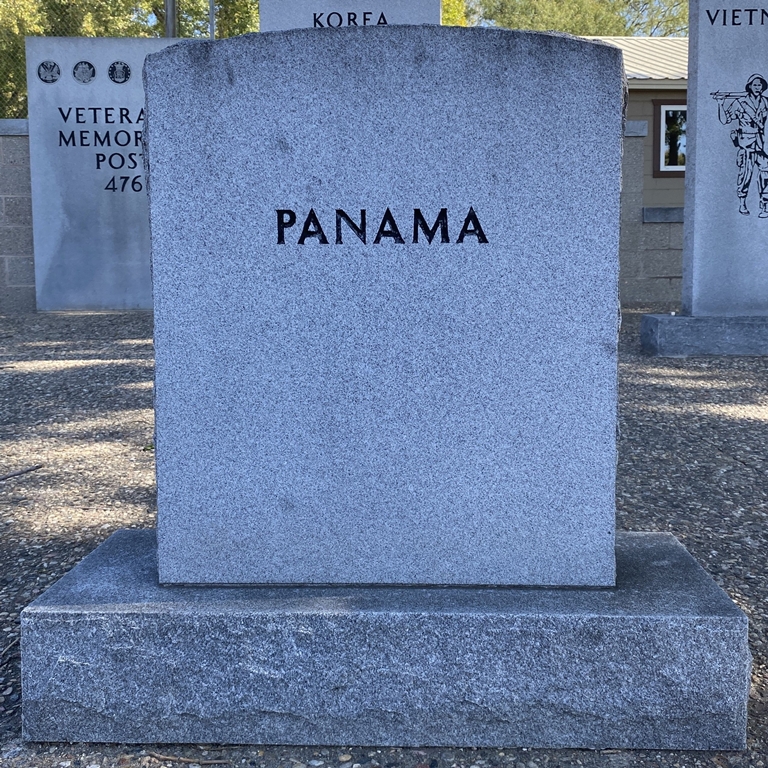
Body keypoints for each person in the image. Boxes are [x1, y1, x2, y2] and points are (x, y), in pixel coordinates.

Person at [714, 73, 768, 217]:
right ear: (749, 86)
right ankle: (742, 202)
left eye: (760, 85)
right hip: (746, 144)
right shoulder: (740, 102)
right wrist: (720, 104)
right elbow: (725, 120)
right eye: (755, 85)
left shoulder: (765, 102)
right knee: (745, 175)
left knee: (765, 173)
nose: (758, 87)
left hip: (762, 144)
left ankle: (764, 204)